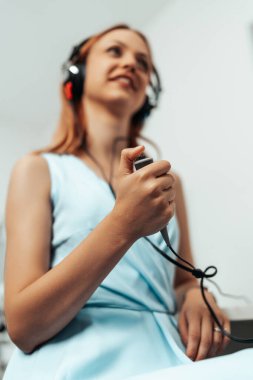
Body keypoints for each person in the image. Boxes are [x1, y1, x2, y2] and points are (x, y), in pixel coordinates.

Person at [3, 24, 230, 379]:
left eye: (143, 61)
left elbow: (183, 281)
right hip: (72, 361)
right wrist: (123, 224)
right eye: (115, 51)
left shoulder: (169, 183)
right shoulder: (36, 169)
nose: (131, 64)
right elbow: (22, 325)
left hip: (168, 353)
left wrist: (196, 296)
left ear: (148, 94)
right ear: (76, 76)